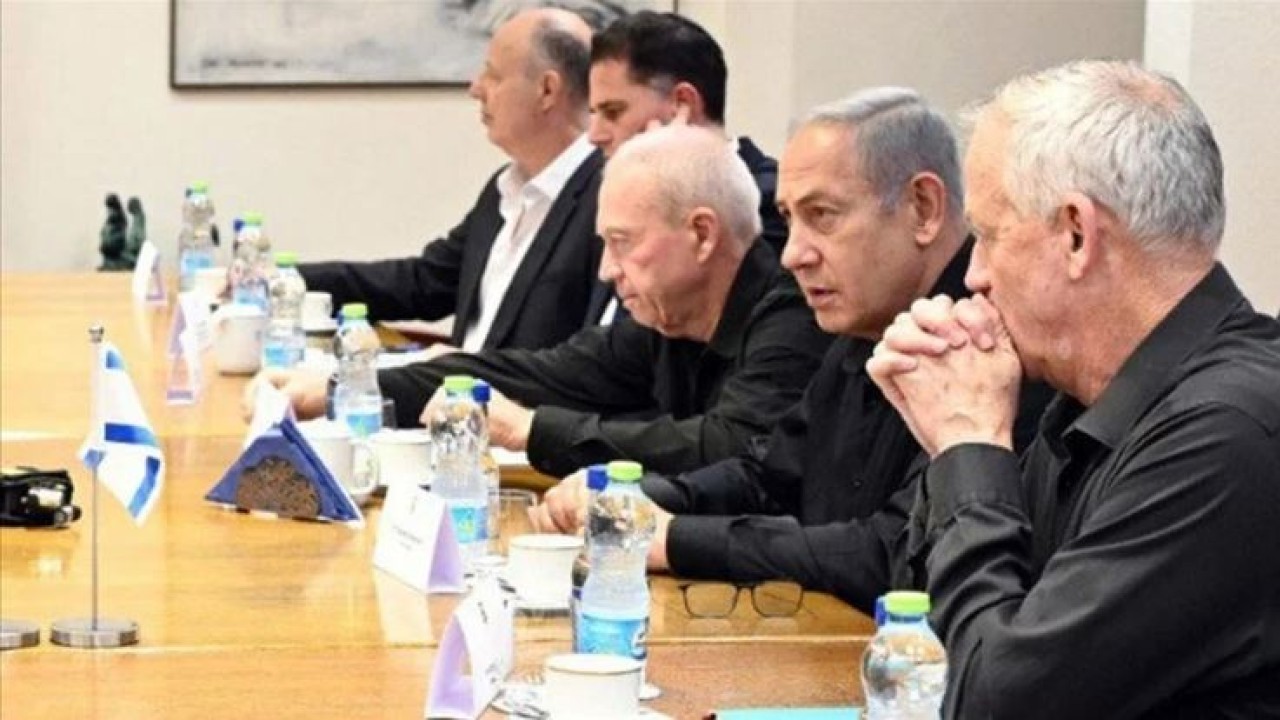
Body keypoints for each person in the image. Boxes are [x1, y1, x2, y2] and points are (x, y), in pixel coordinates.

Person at [531, 88, 1050, 614]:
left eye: (822, 215)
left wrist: (676, 539)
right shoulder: (861, 326)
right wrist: (640, 500)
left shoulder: (993, 346)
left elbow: (891, 552)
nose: (793, 254)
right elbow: (771, 476)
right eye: (789, 217)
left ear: (923, 208)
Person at [868, 60, 1280, 718]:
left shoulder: (1228, 433)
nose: (973, 275)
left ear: (1077, 234)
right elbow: (922, 626)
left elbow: (995, 703)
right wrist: (948, 446)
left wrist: (969, 445)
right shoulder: (1086, 401)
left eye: (988, 235)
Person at [249, 124, 830, 479]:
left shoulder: (793, 312)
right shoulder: (662, 319)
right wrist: (342, 388)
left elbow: (727, 446)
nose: (607, 270)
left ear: (702, 235)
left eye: (623, 243)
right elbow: (532, 373)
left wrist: (531, 429)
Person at [299, 8, 605, 352]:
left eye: (493, 76)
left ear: (547, 90)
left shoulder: (606, 198)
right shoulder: (505, 189)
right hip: (450, 383)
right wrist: (287, 280)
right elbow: (425, 283)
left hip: (498, 387)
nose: (476, 89)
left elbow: (585, 360)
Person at [585, 11, 787, 259]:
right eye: (592, 114)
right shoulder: (610, 206)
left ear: (682, 103)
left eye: (613, 112)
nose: (595, 135)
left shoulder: (771, 205)